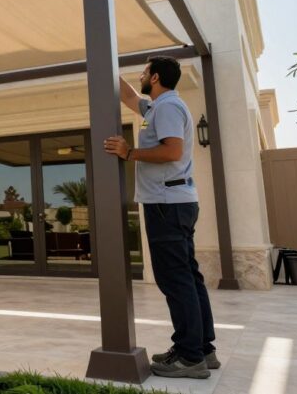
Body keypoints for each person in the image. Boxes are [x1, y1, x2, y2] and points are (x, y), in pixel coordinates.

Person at [102, 56, 217, 379]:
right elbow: (127, 96)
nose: (140, 76)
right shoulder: (156, 107)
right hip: (175, 202)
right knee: (188, 277)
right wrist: (104, 65)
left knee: (175, 279)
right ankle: (202, 349)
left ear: (154, 77)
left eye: (143, 72)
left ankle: (189, 356)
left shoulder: (167, 108)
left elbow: (171, 151)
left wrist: (129, 153)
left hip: (167, 203)